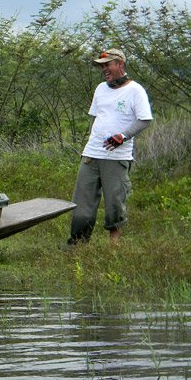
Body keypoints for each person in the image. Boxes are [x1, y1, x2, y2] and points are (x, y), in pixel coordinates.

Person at [68, 49, 153, 246]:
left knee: (115, 203)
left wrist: (122, 137)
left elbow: (145, 120)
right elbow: (95, 117)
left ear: (120, 64)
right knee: (82, 202)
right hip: (91, 154)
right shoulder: (100, 88)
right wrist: (91, 140)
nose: (104, 69)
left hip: (117, 156)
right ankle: (78, 244)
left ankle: (114, 247)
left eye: (107, 65)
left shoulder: (135, 90)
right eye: (102, 66)